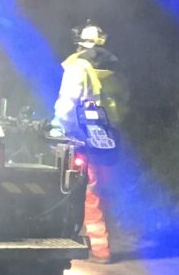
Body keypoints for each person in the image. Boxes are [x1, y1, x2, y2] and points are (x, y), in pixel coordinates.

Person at [53, 24, 126, 262]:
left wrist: (56, 129)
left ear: (80, 43)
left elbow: (66, 106)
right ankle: (106, 244)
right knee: (105, 192)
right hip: (109, 138)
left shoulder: (77, 68)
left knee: (88, 194)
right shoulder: (113, 70)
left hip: (82, 137)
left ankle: (100, 251)